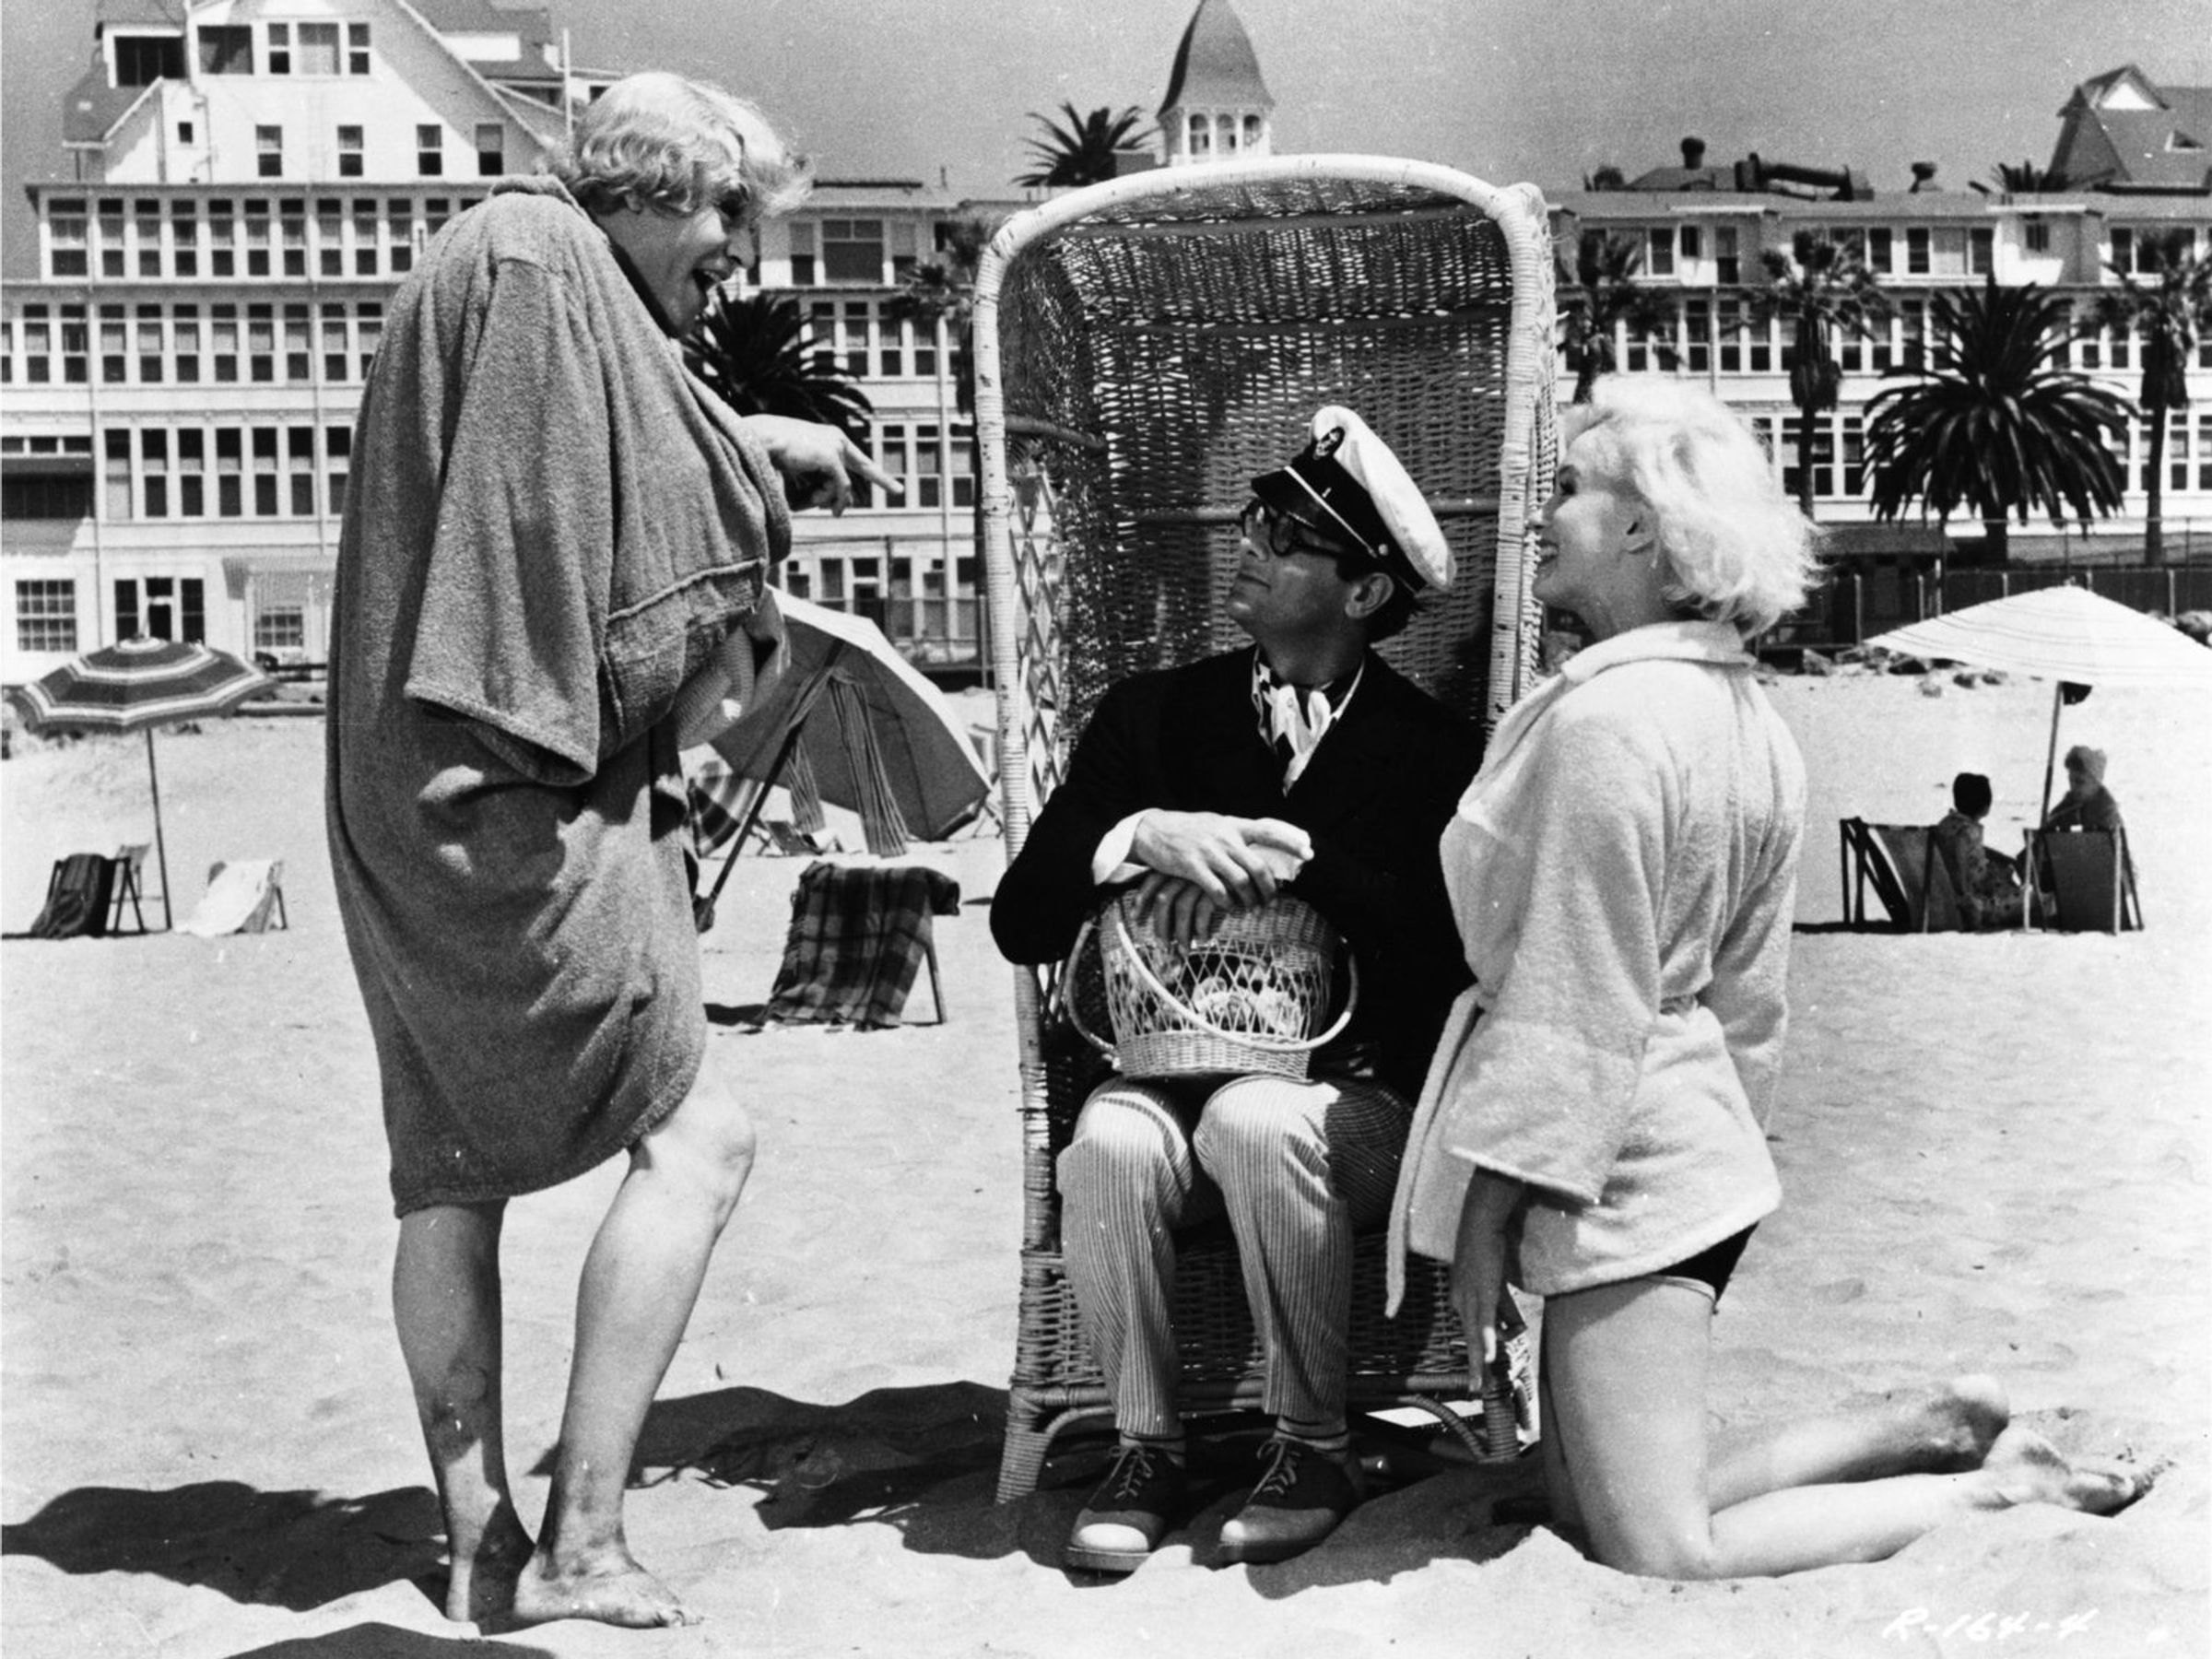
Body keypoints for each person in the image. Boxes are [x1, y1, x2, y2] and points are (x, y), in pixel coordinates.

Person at [1388, 375, 2140, 1581]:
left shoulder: (1606, 723)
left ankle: (1996, 1496)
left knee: (1660, 1552)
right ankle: (1930, 1425)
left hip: (1622, 1163)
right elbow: (1749, 996)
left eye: (1570, 491)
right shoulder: (1747, 716)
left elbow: (1579, 994)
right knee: (1593, 1502)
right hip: (1689, 1141)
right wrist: (1724, 1155)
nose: (1543, 516)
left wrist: (1487, 1217)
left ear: (1641, 526)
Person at [326, 75, 894, 1630]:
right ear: (648, 185)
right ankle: (581, 1539)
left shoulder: (496, 260)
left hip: (401, 796)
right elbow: (564, 548)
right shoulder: (542, 260)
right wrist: (746, 540)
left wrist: (745, 435)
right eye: (728, 214)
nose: (740, 256)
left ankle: (479, 1544)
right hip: (506, 798)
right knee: (700, 1142)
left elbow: (571, 465)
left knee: (448, 1171)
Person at [991, 408, 1481, 1572]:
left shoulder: (1433, 751)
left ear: (1366, 593)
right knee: (1107, 1145)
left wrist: (1303, 865)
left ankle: (1312, 1445)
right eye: (1258, 521)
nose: (1249, 545)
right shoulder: (1152, 716)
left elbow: (1453, 958)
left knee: (1255, 1119)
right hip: (1166, 1081)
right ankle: (1145, 1447)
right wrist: (1138, 836)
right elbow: (1021, 921)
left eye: (1289, 538)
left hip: (1358, 1111)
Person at [1932, 771, 2023, 931]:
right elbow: (1961, 858)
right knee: (2025, 899)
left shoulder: (1946, 825)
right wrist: (1965, 896)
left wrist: (2004, 858)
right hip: (1975, 900)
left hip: (1949, 892)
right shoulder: (1967, 831)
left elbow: (1971, 850)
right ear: (1985, 807)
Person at [2042, 745, 2124, 831]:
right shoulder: (2060, 813)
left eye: (2080, 782)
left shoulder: (2109, 817)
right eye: (2071, 780)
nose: (2073, 786)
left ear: (2095, 782)